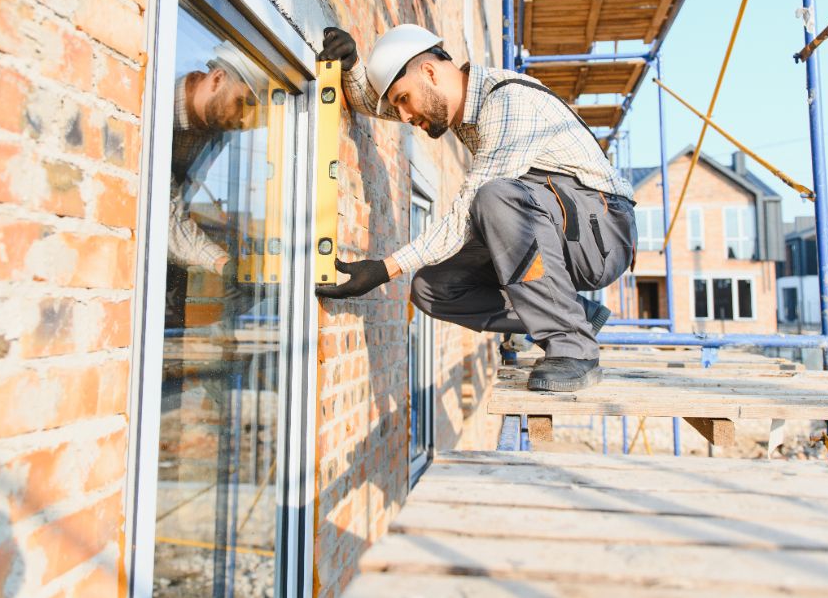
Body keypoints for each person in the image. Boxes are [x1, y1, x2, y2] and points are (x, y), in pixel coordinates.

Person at [315, 25, 636, 392]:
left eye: (404, 99)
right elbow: (372, 103)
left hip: (602, 234)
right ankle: (575, 316)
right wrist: (352, 65)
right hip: (551, 224)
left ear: (430, 72)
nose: (402, 116)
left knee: (493, 197)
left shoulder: (509, 103)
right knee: (433, 289)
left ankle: (574, 348)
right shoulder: (458, 106)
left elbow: (464, 216)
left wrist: (384, 269)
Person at [167, 41, 260, 327]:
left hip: (174, 260)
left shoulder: (216, 127)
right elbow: (165, 219)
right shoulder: (156, 107)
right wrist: (225, 265)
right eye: (242, 102)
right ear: (217, 79)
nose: (244, 119)